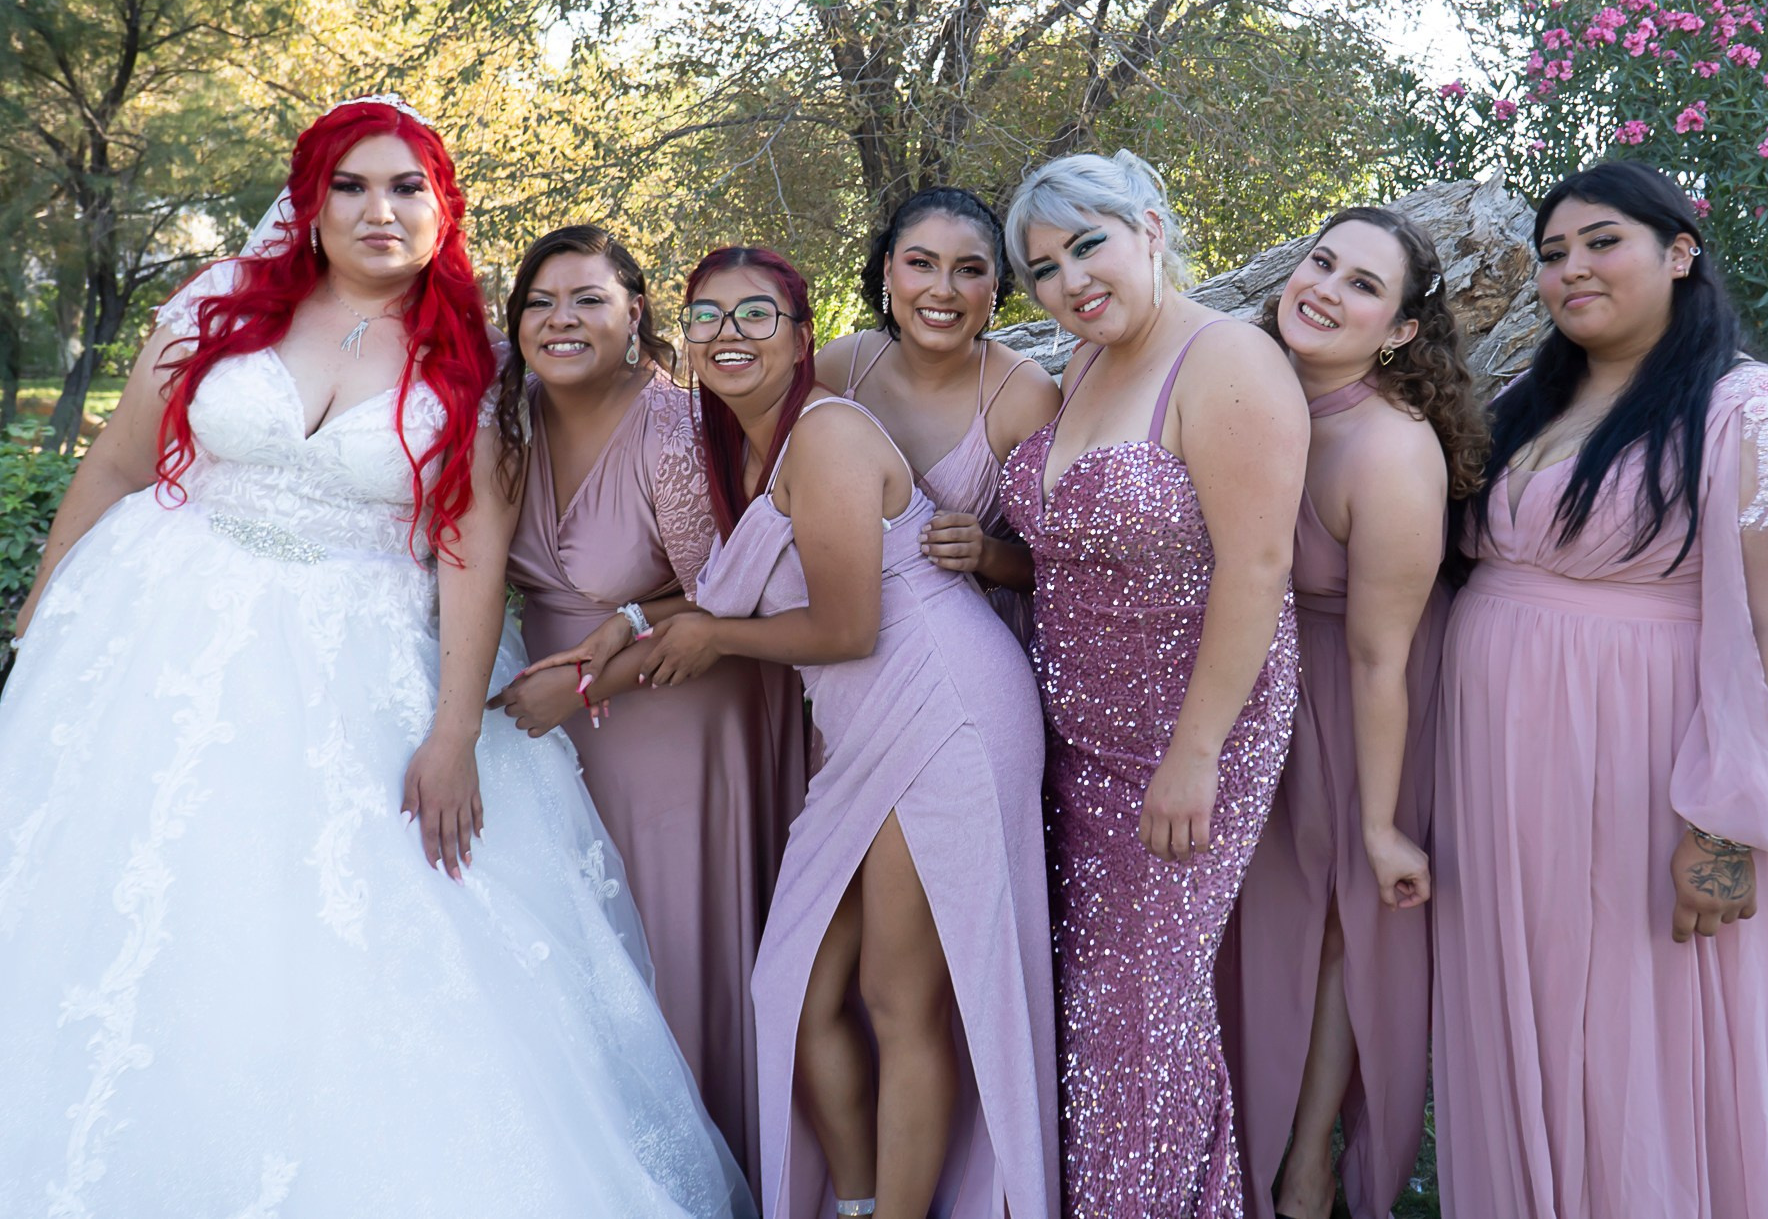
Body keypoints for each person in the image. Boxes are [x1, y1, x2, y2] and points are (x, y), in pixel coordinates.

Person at [0, 98, 751, 1218]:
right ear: (308, 205)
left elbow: (469, 554)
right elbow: (112, 469)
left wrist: (453, 732)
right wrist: (41, 628)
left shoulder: (471, 365)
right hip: (150, 637)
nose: (378, 208)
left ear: (442, 208)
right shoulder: (217, 305)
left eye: (406, 186)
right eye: (350, 184)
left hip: (348, 667)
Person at [1433, 160, 1768, 1219]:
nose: (1569, 268)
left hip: (1650, 777)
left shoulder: (1758, 414)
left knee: (1648, 1029)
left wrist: (1720, 830)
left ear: (1678, 253)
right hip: (1506, 784)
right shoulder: (1527, 401)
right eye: (1550, 252)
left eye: (1599, 242)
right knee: (1532, 1017)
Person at [590, 246, 1058, 1219]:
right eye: (709, 317)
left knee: (899, 996)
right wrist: (630, 632)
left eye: (755, 315)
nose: (730, 335)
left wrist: (708, 634)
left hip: (943, 704)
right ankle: (851, 1197)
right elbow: (729, 582)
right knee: (793, 985)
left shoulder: (831, 432)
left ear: (803, 339)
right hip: (859, 730)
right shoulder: (751, 442)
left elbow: (845, 625)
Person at [997, 149, 1308, 1218]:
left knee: (1140, 1009)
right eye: (1041, 268)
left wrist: (1195, 750)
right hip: (1071, 742)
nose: (1070, 279)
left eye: (1088, 244)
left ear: (1150, 228)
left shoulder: (1226, 360)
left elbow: (1258, 565)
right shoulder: (1078, 364)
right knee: (1091, 1010)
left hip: (1185, 739)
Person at [489, 225, 808, 1193]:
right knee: (582, 960)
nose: (561, 319)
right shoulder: (509, 414)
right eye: (540, 301)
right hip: (554, 730)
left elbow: (729, 587)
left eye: (588, 298)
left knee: (666, 956)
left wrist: (593, 674)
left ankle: (707, 1183)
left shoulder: (667, 425)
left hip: (673, 709)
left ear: (636, 314)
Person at [1224, 206, 1488, 1219]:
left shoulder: (1388, 450)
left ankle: (1304, 1169)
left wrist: (1381, 825)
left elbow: (1382, 655)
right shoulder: (1247, 385)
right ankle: (1232, 1142)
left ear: (1400, 332)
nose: (1325, 287)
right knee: (1259, 916)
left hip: (1358, 697)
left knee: (1337, 920)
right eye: (1319, 260)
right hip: (1257, 684)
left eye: (1362, 284)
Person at [816, 187, 1060, 639]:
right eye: (921, 264)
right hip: (849, 647)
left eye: (968, 270)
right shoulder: (837, 368)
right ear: (889, 271)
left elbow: (1064, 566)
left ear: (994, 287)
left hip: (981, 649)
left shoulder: (1025, 395)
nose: (943, 290)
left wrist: (986, 554)